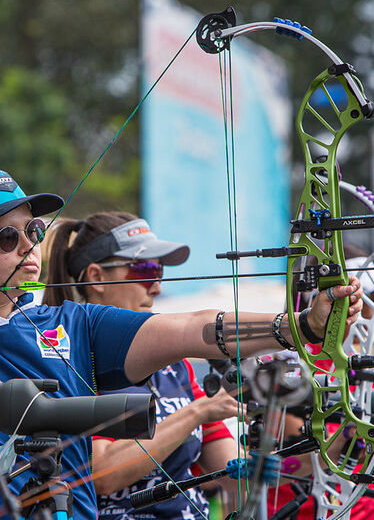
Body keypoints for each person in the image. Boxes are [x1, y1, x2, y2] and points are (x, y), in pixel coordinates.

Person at [0, 166, 366, 519]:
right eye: (6, 237)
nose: (28, 245)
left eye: (32, 231)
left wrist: (299, 327)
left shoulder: (73, 325)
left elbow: (192, 328)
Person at [42, 212, 241, 519]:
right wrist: (196, 413)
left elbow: (229, 473)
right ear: (96, 277)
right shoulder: (71, 359)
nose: (157, 287)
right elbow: (105, 474)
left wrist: (304, 442)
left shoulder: (176, 366)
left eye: (159, 271)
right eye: (145, 269)